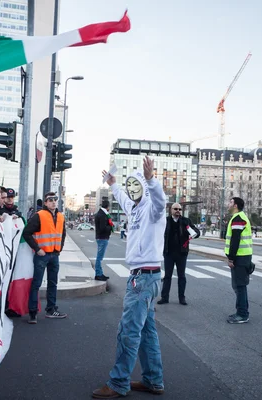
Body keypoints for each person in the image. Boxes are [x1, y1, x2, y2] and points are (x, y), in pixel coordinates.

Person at [93, 157, 166, 399]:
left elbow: (160, 201)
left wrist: (151, 179)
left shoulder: (153, 211)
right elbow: (124, 199)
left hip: (144, 278)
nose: (132, 191)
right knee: (146, 331)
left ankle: (118, 382)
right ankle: (153, 380)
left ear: (144, 188)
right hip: (144, 277)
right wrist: (113, 184)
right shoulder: (134, 208)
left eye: (137, 186)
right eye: (130, 186)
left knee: (129, 331)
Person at [23, 191, 67, 324]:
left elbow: (63, 234)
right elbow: (26, 233)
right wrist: (37, 249)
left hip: (54, 255)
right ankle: (32, 313)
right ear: (46, 203)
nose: (53, 201)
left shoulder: (60, 216)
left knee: (53, 283)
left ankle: (51, 309)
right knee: (36, 283)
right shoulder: (39, 216)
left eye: (55, 199)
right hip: (42, 255)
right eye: (50, 200)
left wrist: (59, 249)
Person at [158, 203, 200, 305]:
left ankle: (182, 298)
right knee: (167, 276)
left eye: (180, 209)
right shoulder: (166, 221)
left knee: (182, 276)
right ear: (171, 210)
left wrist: (193, 232)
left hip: (182, 253)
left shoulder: (186, 221)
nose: (178, 211)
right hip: (169, 253)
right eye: (175, 209)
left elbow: (197, 232)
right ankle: (164, 297)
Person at [225, 197, 253, 324]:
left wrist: (231, 258)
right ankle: (241, 312)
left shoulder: (238, 218)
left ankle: (242, 314)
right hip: (243, 256)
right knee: (240, 286)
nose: (228, 204)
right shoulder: (240, 217)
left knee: (239, 286)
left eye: (230, 202)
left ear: (235, 205)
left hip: (240, 257)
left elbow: (235, 239)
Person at [94, 200, 113, 281]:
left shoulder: (102, 213)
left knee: (100, 257)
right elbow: (102, 228)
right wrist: (110, 226)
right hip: (102, 237)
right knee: (99, 257)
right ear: (108, 206)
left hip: (101, 237)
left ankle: (100, 273)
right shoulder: (102, 215)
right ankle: (98, 274)